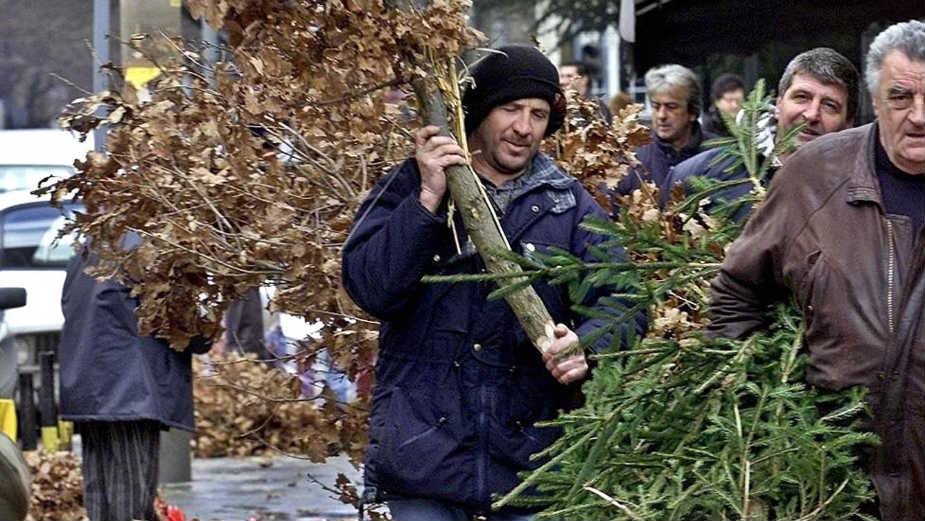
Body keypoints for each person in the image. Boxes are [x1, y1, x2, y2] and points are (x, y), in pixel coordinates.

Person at [342, 44, 645, 520]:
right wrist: (426, 202)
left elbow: (626, 300)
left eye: (539, 114)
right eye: (511, 109)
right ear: (481, 112)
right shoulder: (414, 183)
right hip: (422, 466)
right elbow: (370, 287)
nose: (524, 128)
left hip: (529, 469)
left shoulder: (568, 205)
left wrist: (586, 345)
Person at [707, 20, 924, 521]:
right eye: (899, 96)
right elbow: (737, 289)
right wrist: (756, 410)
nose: (918, 116)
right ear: (874, 98)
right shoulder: (815, 174)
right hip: (832, 479)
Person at [58, 240, 211, 521]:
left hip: (94, 387)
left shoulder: (91, 244)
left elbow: (69, 305)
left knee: (102, 494)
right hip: (130, 391)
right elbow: (186, 326)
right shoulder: (153, 247)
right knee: (130, 499)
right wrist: (211, 321)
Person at [661, 48, 858, 220]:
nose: (812, 114)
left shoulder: (862, 196)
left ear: (848, 123)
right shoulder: (696, 176)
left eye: (829, 105)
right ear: (778, 105)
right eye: (801, 97)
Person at [613, 64, 709, 197]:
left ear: (692, 112)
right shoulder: (632, 157)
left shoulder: (718, 154)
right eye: (656, 106)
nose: (661, 115)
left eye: (671, 107)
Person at [559, 60, 612, 124]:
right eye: (561, 76)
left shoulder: (595, 106)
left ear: (584, 80)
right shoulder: (556, 102)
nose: (562, 82)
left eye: (569, 76)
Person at [702, 73, 746, 138]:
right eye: (729, 101)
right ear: (717, 102)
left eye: (738, 100)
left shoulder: (753, 124)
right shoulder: (707, 129)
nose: (735, 105)